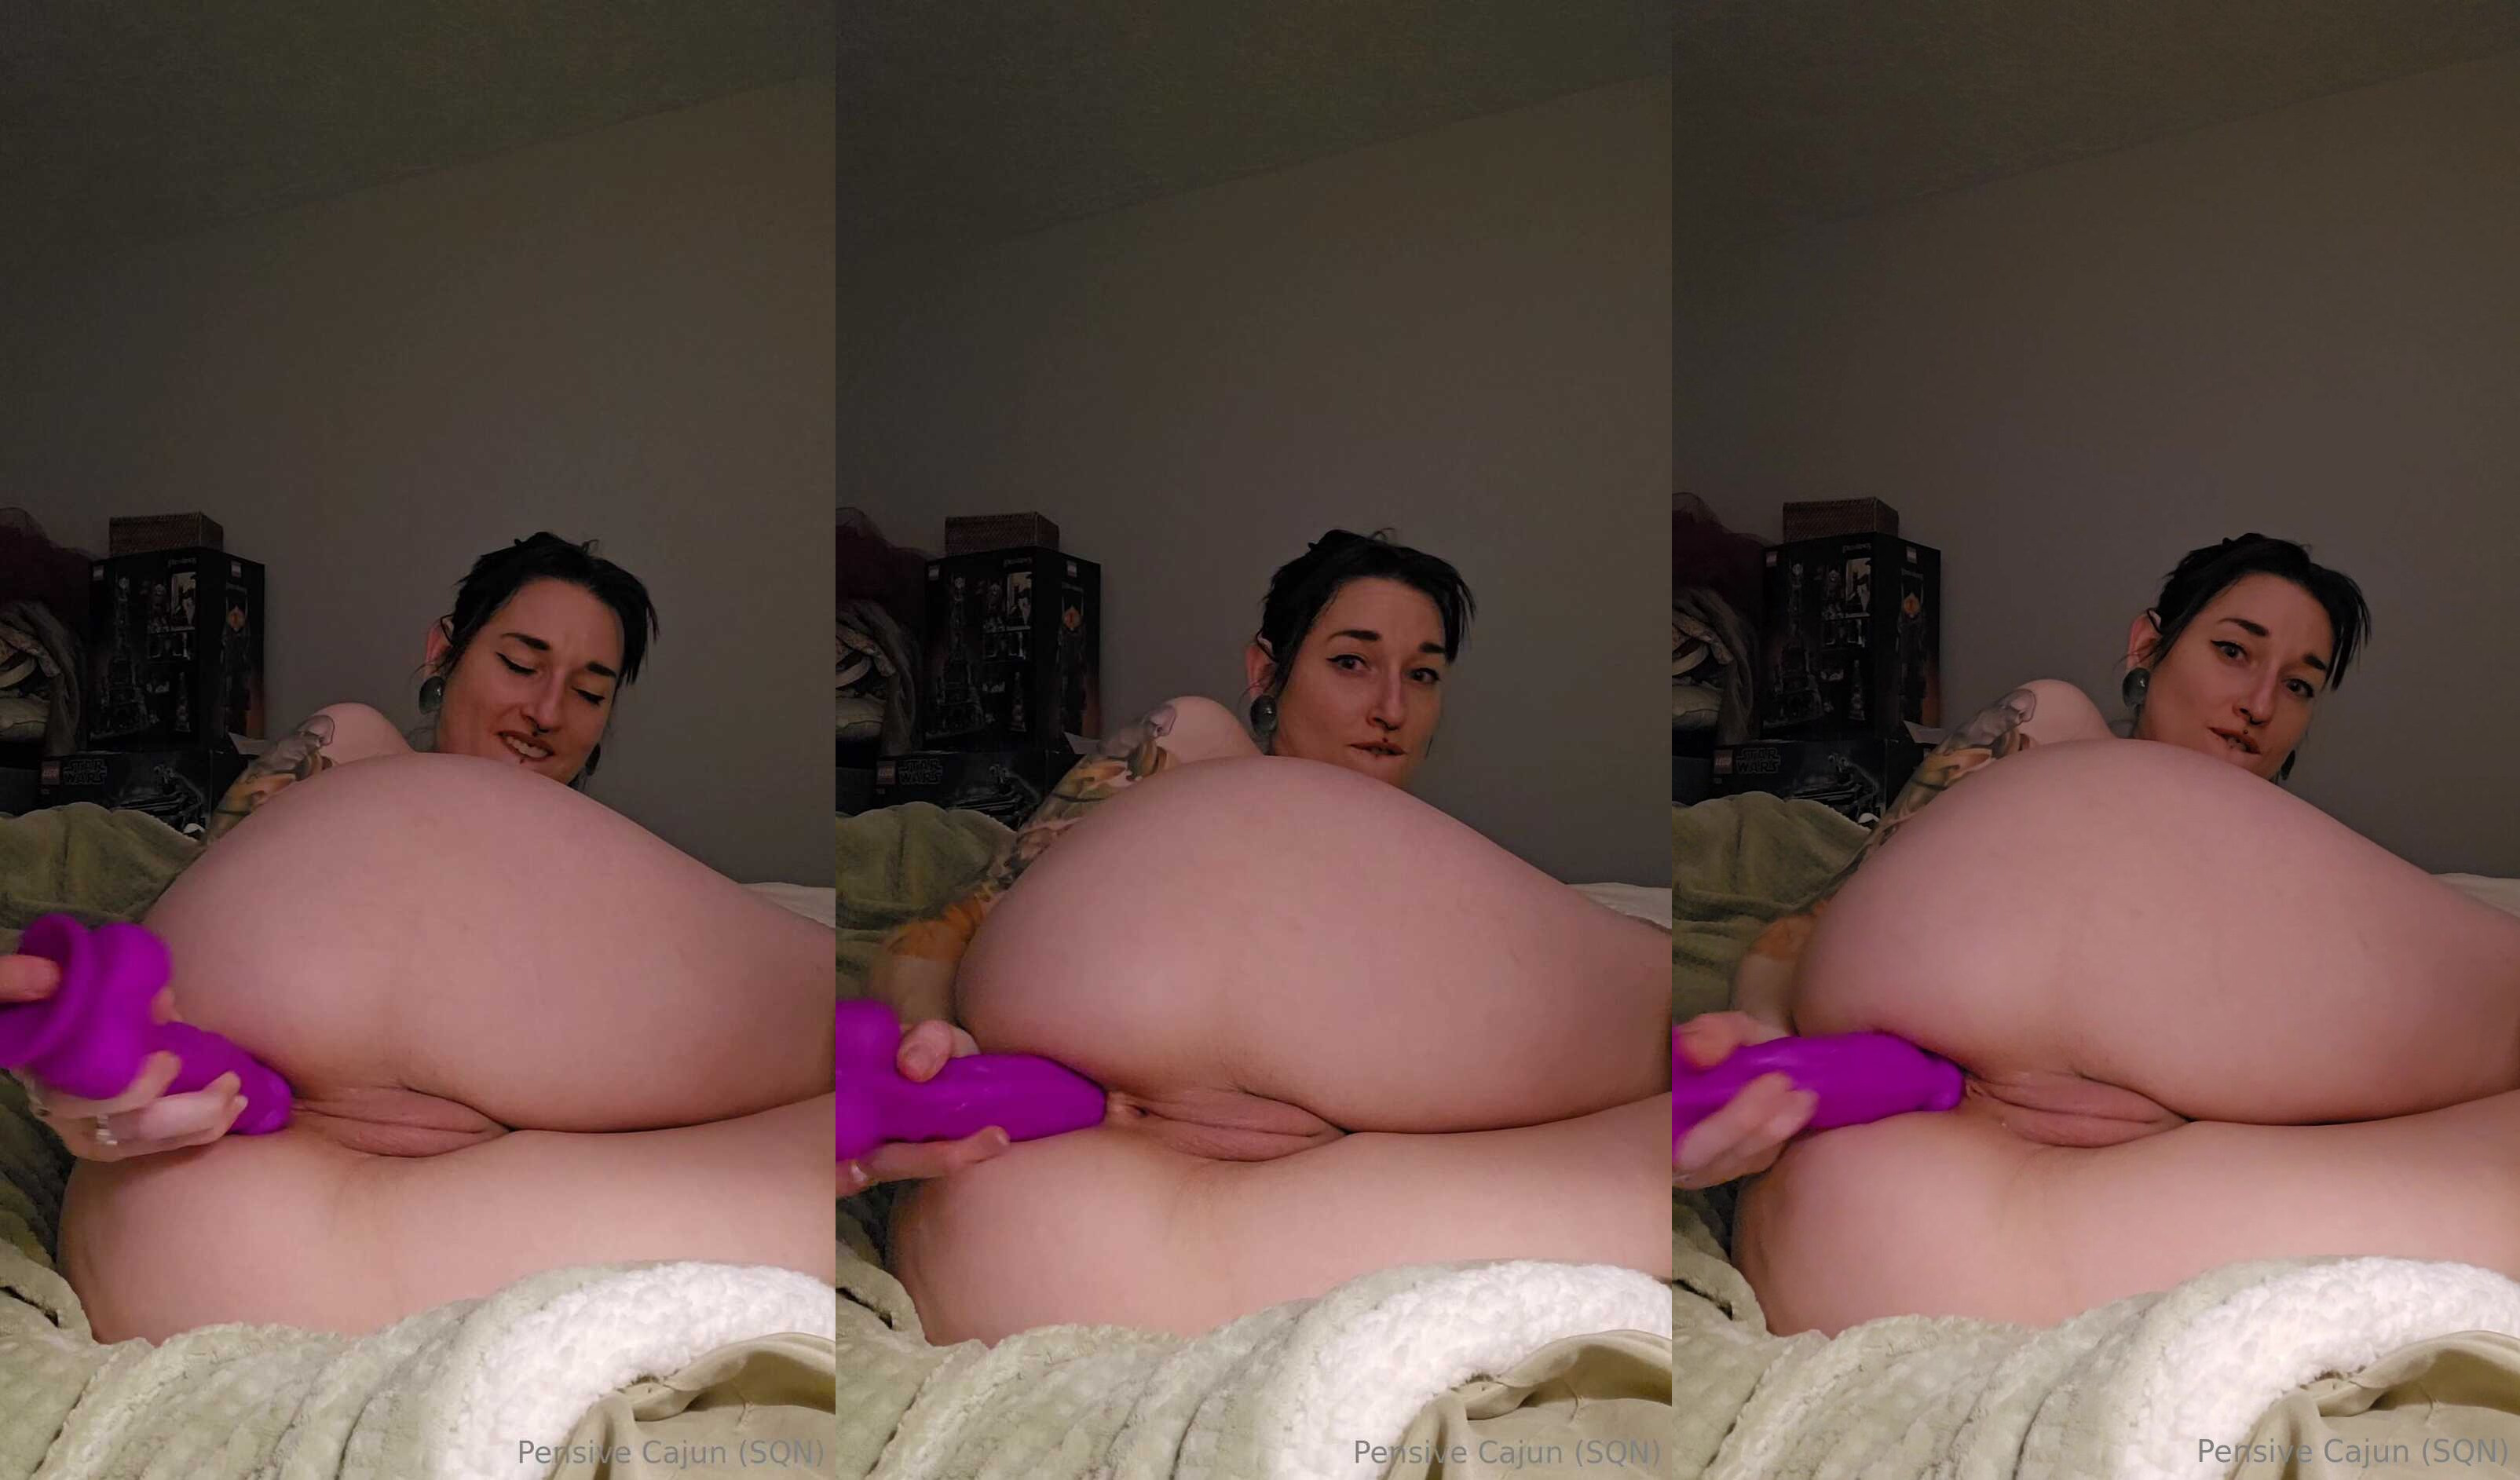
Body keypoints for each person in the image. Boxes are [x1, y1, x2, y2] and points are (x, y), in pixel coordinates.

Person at [1672, 535, 2520, 1337]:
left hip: (1908, 1229)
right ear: (2147, 645)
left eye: (2298, 685)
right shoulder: (2053, 725)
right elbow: (1819, 919)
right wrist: (1767, 1044)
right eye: (2233, 650)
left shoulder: (2305, 887)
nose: (2259, 704)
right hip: (1901, 1121)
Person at [2, 533, 835, 1342]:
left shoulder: (625, 896)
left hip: (262, 1244)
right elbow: (208, 920)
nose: (547, 711)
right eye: (520, 664)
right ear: (444, 650)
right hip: (205, 1169)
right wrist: (87, 1064)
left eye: (589, 693)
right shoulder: (355, 747)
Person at [854, 529, 1670, 1343]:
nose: (1390, 707)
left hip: (1072, 1236)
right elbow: (949, 923)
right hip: (1052, 1124)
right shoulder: (1194, 742)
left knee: (1651, 1154)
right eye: (1350, 662)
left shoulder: (1454, 892)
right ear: (1265, 670)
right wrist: (931, 1041)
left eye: (1421, 675)